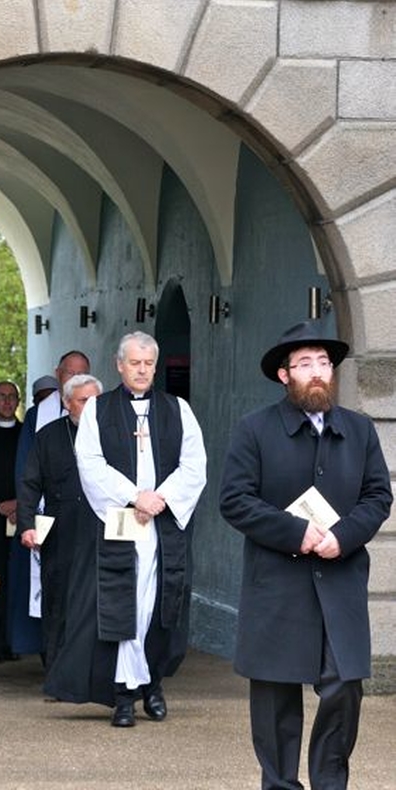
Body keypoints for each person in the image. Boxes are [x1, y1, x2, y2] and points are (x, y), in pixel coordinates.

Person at [220, 320, 393, 790]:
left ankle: (329, 782)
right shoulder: (254, 429)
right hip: (277, 585)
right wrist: (298, 532)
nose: (316, 371)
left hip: (340, 582)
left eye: (323, 362)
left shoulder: (358, 430)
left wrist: (345, 535)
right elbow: (234, 500)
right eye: (304, 364)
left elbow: (378, 495)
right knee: (275, 696)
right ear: (284, 375)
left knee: (343, 684)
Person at [44, 331, 207, 727]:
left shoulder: (178, 409)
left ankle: (150, 683)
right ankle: (123, 693)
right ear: (120, 365)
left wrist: (160, 498)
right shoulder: (98, 410)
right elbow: (91, 464)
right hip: (121, 519)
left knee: (156, 605)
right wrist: (135, 496)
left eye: (148, 363)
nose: (142, 369)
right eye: (134, 362)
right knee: (123, 603)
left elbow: (194, 464)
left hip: (163, 522)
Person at [18, 373, 103, 670]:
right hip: (61, 528)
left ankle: (99, 672)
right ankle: (56, 671)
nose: (91, 407)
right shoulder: (49, 435)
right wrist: (27, 524)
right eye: (83, 401)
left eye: (96, 401)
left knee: (100, 600)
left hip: (102, 527)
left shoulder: (116, 434)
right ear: (67, 403)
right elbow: (30, 483)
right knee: (58, 603)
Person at [9, 350, 91, 656]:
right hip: (50, 515)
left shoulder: (103, 413)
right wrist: (29, 519)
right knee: (53, 591)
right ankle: (54, 658)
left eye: (83, 373)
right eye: (70, 373)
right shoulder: (38, 417)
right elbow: (26, 472)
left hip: (90, 519)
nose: (76, 379)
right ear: (59, 374)